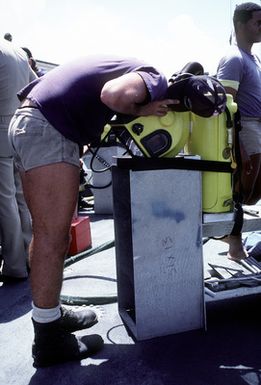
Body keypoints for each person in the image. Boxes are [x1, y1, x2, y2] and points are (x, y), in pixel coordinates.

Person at [8, 54, 177, 367]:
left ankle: (50, 316)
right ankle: (48, 341)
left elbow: (39, 90)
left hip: (30, 122)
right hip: (47, 130)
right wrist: (144, 107)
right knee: (52, 236)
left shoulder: (119, 64)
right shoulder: (155, 75)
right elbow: (113, 95)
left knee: (46, 231)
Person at [216, 2, 261, 261]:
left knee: (254, 191)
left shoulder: (253, 58)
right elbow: (225, 106)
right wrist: (237, 146)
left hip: (257, 127)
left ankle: (231, 235)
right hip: (244, 130)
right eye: (258, 22)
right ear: (241, 24)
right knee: (240, 191)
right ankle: (234, 245)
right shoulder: (234, 58)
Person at [0, 39, 36, 281]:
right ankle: (29, 258)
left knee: (4, 200)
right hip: (19, 129)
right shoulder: (18, 52)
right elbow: (36, 83)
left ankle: (14, 266)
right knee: (22, 198)